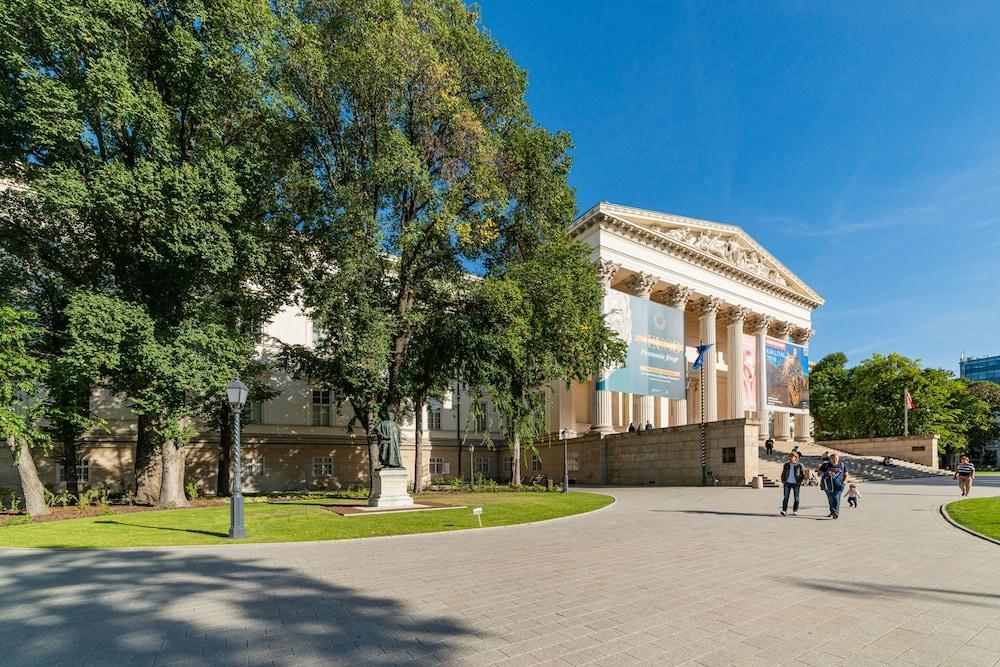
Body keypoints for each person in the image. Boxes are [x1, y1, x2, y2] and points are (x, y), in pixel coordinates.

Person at [818, 453, 849, 519]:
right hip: (827, 485)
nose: (835, 460)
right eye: (833, 459)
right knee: (830, 499)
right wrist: (827, 473)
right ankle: (832, 512)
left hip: (839, 485)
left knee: (836, 497)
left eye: (836, 459)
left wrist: (844, 483)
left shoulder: (842, 465)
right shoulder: (825, 465)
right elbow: (819, 474)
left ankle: (836, 512)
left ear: (838, 459)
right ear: (830, 459)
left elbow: (846, 475)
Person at [779, 451, 805, 516]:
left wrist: (800, 481)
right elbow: (783, 473)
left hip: (796, 483)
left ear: (795, 457)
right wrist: (783, 480)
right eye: (790, 456)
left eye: (792, 456)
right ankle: (784, 510)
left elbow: (803, 474)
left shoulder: (799, 465)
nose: (790, 458)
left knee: (796, 497)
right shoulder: (786, 465)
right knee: (785, 497)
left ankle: (795, 511)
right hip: (787, 483)